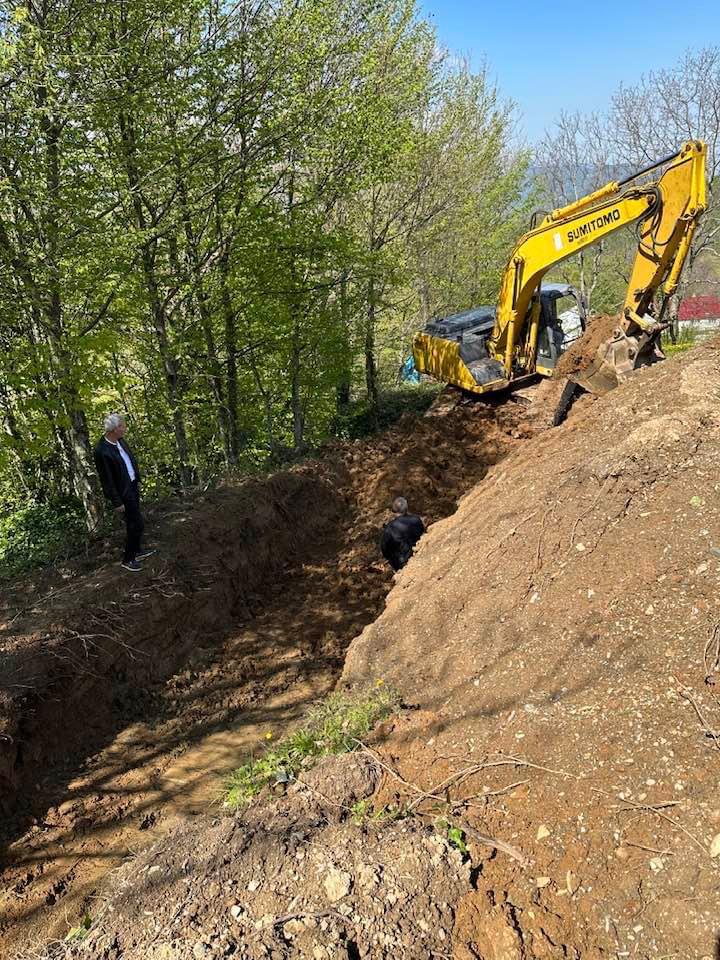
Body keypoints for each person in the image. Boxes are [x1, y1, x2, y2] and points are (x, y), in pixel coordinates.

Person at [94, 414, 155, 572]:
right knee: (136, 523)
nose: (125, 428)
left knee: (134, 522)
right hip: (123, 492)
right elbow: (106, 480)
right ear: (114, 429)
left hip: (132, 485)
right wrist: (117, 501)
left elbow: (129, 461)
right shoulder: (102, 451)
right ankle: (128, 559)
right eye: (122, 426)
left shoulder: (120, 441)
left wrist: (137, 479)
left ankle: (137, 550)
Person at [380, 496, 425, 572]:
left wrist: (392, 558)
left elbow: (384, 548)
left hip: (402, 562)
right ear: (406, 508)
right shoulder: (416, 520)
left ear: (394, 510)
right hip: (419, 554)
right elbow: (422, 533)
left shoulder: (390, 527)